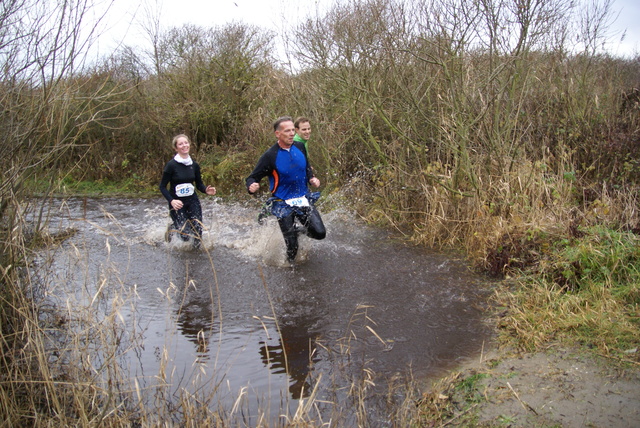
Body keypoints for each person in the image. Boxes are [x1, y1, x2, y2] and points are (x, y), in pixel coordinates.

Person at [246, 116, 326, 263]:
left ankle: (296, 231)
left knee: (320, 233)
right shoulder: (270, 156)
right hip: (283, 203)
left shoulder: (300, 147)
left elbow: (306, 166)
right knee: (292, 248)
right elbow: (252, 178)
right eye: (287, 131)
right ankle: (290, 273)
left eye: (292, 130)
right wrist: (252, 186)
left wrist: (311, 178)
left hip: (303, 198)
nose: (291, 134)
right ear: (278, 134)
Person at [159, 134, 216, 248]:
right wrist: (172, 201)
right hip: (177, 204)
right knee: (185, 235)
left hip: (192, 201)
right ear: (176, 148)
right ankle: (173, 228)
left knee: (197, 231)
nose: (184, 145)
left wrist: (205, 189)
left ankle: (196, 255)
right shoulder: (171, 165)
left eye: (186, 143)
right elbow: (162, 187)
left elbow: (198, 184)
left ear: (189, 144)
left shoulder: (194, 165)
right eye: (180, 144)